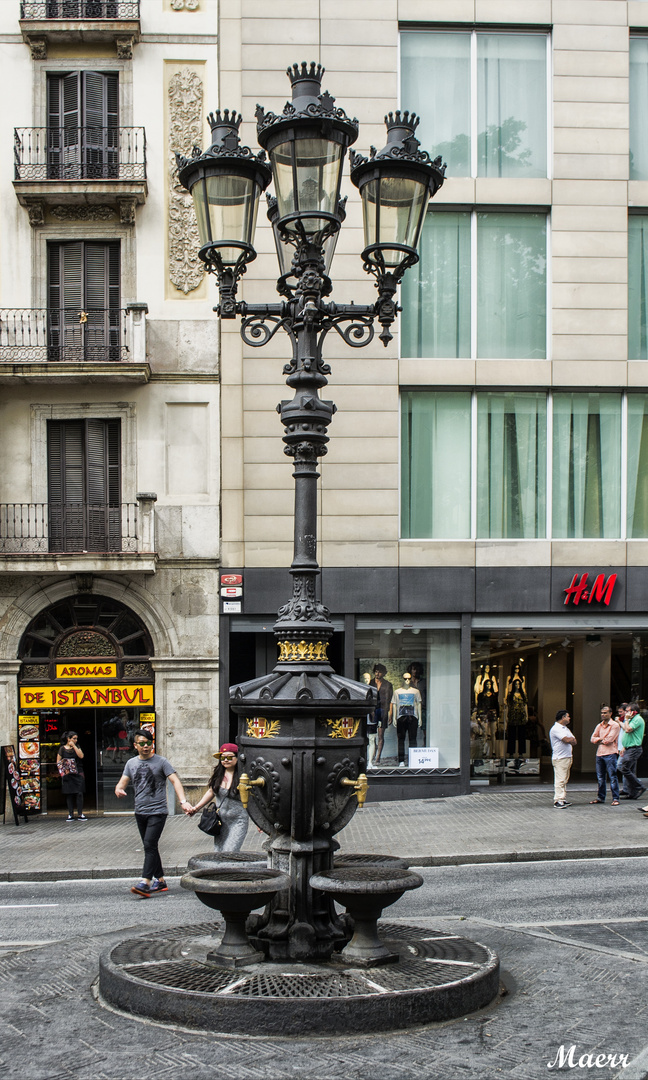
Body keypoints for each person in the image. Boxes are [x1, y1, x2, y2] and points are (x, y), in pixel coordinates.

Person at [115, 729, 193, 897]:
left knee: (149, 844)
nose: (146, 746)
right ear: (135, 745)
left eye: (148, 743)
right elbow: (122, 782)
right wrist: (119, 789)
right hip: (140, 811)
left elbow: (175, 781)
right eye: (142, 743)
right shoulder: (131, 764)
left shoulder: (162, 762)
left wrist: (183, 801)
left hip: (158, 811)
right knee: (150, 846)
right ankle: (161, 880)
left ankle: (145, 882)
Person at [188, 743, 249, 852]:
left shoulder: (243, 776)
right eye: (223, 757)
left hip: (238, 820)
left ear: (237, 758)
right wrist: (196, 808)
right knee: (219, 851)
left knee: (230, 851)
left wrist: (259, 823)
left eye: (230, 757)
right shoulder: (219, 774)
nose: (226, 760)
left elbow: (253, 799)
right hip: (221, 820)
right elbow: (211, 792)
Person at [589, 704, 621, 805]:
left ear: (610, 713)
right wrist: (601, 740)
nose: (603, 715)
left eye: (605, 713)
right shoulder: (599, 725)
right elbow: (592, 739)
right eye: (602, 713)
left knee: (612, 777)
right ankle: (600, 797)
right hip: (600, 753)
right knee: (600, 777)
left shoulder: (615, 725)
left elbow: (609, 740)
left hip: (610, 753)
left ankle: (615, 798)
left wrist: (599, 740)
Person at [391, 672, 422, 767]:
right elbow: (394, 704)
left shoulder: (415, 691)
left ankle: (413, 759)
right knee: (401, 739)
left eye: (409, 678)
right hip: (401, 717)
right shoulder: (397, 692)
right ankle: (401, 760)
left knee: (413, 739)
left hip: (413, 717)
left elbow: (418, 704)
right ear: (402, 679)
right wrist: (394, 718)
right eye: (405, 679)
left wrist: (420, 718)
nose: (407, 681)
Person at [617, 703, 646, 800]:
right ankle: (632, 792)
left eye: (628, 711)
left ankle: (639, 786)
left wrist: (626, 719)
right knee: (630, 769)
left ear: (634, 712)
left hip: (634, 748)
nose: (626, 713)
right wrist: (624, 747)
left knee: (624, 767)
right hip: (629, 747)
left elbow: (628, 729)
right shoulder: (633, 719)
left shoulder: (637, 719)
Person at [57, 731, 87, 821]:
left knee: (79, 793)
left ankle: (80, 813)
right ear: (68, 739)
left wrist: (74, 746)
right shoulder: (62, 749)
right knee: (69, 794)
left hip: (78, 773)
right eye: (74, 738)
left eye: (76, 739)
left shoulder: (77, 747)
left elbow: (81, 756)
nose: (75, 740)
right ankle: (70, 814)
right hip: (68, 774)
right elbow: (58, 761)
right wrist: (63, 771)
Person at [550, 709, 576, 808]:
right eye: (568, 716)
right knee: (560, 779)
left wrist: (570, 740)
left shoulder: (565, 729)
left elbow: (574, 741)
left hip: (567, 757)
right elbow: (566, 739)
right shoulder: (556, 728)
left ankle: (563, 798)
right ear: (563, 717)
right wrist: (570, 740)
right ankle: (558, 800)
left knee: (564, 779)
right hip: (560, 757)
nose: (569, 718)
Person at [370, 664, 393, 766]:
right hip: (373, 710)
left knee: (380, 735)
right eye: (376, 671)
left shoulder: (388, 684)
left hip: (383, 710)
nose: (377, 673)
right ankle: (373, 754)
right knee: (372, 736)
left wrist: (391, 713)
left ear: (383, 673)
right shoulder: (370, 683)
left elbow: (391, 700)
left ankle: (378, 757)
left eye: (379, 672)